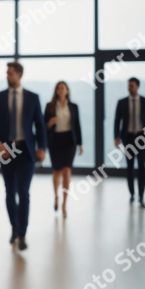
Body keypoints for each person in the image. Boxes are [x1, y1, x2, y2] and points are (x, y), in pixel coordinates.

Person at [0, 62, 46, 251]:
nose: (7, 76)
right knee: (9, 192)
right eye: (6, 73)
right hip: (6, 151)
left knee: (24, 192)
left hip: (26, 151)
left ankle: (22, 233)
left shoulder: (33, 98)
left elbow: (40, 125)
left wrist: (42, 148)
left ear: (19, 75)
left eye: (10, 73)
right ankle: (14, 226)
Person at [114, 77, 145, 208]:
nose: (129, 88)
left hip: (142, 137)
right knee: (130, 167)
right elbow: (117, 121)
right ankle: (132, 194)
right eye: (128, 85)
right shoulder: (121, 102)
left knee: (142, 166)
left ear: (137, 86)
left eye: (131, 86)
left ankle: (141, 196)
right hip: (128, 138)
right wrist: (116, 137)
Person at [44, 81, 83, 218]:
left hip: (69, 142)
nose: (60, 90)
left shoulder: (73, 107)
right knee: (56, 172)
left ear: (67, 91)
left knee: (67, 171)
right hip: (55, 141)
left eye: (63, 88)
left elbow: (77, 125)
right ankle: (56, 196)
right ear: (56, 91)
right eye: (58, 88)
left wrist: (80, 143)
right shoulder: (49, 107)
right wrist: (49, 123)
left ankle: (64, 203)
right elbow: (43, 126)